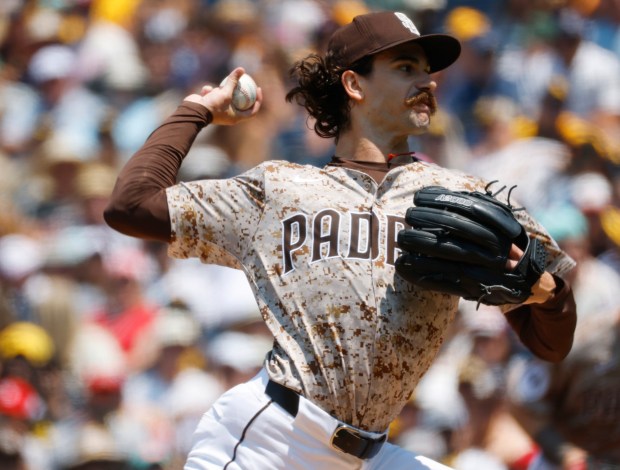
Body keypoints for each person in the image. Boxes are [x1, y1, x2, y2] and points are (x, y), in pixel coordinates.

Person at [104, 10, 577, 470]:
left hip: (367, 455)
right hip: (269, 441)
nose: (428, 82)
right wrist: (197, 111)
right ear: (354, 85)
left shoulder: (466, 197)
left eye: (428, 70)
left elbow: (551, 345)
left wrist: (548, 295)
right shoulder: (279, 190)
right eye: (406, 67)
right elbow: (130, 205)